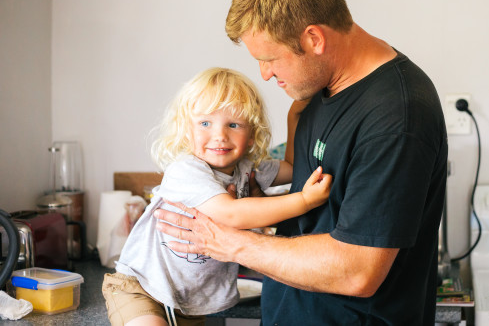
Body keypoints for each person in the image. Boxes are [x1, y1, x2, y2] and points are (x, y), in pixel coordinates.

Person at [155, 0, 448, 325]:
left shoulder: (396, 115)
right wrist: (259, 210)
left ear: (314, 38)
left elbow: (357, 270)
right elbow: (317, 216)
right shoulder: (317, 93)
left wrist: (231, 243)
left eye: (269, 59)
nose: (264, 74)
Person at [102, 67, 332, 326]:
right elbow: (231, 214)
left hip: (188, 303)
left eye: (233, 125)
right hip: (141, 287)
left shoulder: (247, 169)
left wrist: (294, 115)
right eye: (205, 123)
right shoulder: (186, 170)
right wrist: (304, 201)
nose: (220, 136)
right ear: (186, 130)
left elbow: (292, 166)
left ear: (251, 136)